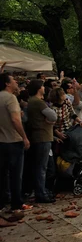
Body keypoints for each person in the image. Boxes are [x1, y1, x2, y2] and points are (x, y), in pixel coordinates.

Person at [0, 73, 30, 212]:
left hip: (1, 141)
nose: (16, 82)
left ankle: (2, 203)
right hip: (13, 140)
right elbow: (15, 120)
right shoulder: (11, 98)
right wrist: (24, 137)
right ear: (7, 83)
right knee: (15, 175)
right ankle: (16, 203)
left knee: (2, 175)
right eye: (13, 80)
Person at [26, 80, 57, 203]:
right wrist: (50, 121)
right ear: (39, 88)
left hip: (38, 136)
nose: (44, 88)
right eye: (43, 86)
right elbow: (53, 116)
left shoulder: (30, 102)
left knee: (40, 166)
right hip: (43, 136)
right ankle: (41, 193)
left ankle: (41, 190)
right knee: (42, 167)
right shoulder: (39, 103)